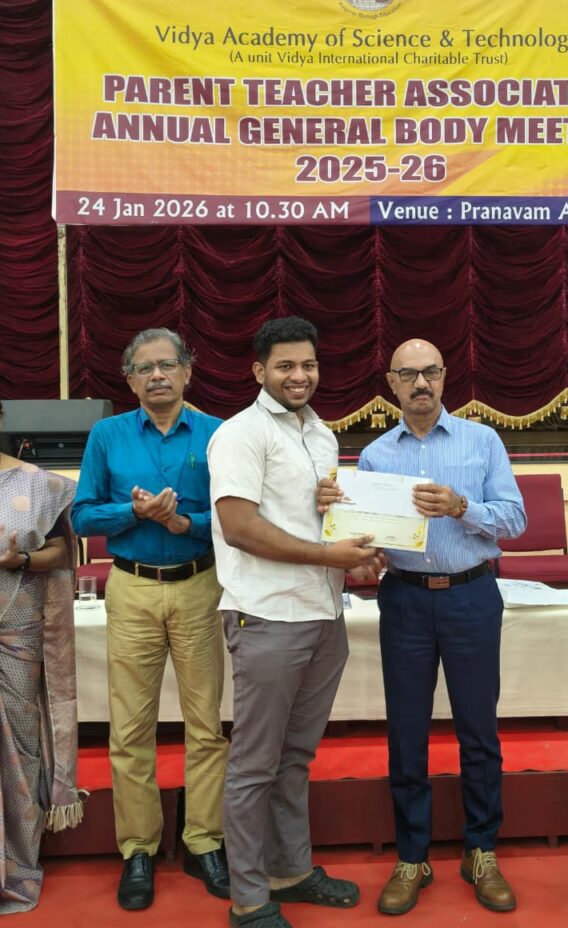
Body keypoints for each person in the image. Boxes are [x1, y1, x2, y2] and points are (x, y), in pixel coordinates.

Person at [321, 338, 526, 916]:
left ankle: (482, 850)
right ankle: (412, 856)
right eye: (408, 374)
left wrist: (462, 507)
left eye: (430, 372)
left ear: (444, 376)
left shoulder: (482, 441)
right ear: (391, 383)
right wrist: (362, 552)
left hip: (471, 595)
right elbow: (369, 536)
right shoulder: (375, 456)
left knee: (478, 731)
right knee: (406, 732)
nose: (420, 384)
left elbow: (515, 519)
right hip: (405, 599)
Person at [208, 316, 381, 928]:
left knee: (295, 757)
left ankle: (290, 869)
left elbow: (314, 521)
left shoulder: (321, 434)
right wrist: (330, 555)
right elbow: (240, 528)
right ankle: (250, 899)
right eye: (285, 366)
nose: (299, 375)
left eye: (308, 364)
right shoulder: (240, 434)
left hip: (324, 613)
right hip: (268, 616)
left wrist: (360, 548)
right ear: (260, 371)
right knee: (254, 764)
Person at [71, 328, 229, 911]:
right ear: (130, 379)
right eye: (144, 368)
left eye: (167, 364)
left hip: (199, 586)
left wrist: (185, 523)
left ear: (188, 370)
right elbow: (83, 517)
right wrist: (134, 512)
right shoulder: (107, 435)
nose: (157, 375)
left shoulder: (218, 434)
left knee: (206, 725)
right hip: (132, 587)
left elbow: (235, 516)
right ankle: (137, 848)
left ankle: (204, 842)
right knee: (130, 729)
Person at [0, 382, 81, 923]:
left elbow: (62, 553)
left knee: (20, 751)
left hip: (15, 637)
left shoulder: (40, 485)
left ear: (1, 417)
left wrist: (18, 559)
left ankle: (17, 864)